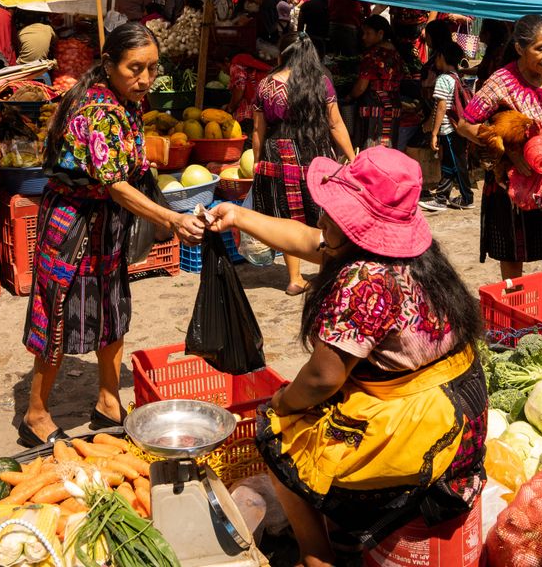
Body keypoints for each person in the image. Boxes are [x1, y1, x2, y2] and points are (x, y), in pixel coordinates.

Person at [209, 147, 487, 566]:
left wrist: (283, 403)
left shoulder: (366, 280)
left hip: (425, 431)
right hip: (462, 410)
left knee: (276, 432)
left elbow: (322, 378)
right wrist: (238, 216)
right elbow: (308, 240)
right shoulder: (410, 256)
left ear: (359, 224)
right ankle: (345, 536)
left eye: (332, 212)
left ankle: (316, 555)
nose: (322, 219)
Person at [20, 23, 204, 447]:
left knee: (111, 307)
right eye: (134, 68)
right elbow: (114, 184)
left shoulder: (126, 101)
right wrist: (171, 219)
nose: (145, 78)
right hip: (74, 224)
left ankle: (107, 400)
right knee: (58, 311)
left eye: (152, 68)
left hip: (107, 223)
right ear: (108, 64)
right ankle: (35, 414)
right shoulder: (98, 110)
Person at [456, 14, 542, 280]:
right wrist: (510, 152)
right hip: (513, 184)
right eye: (540, 48)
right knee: (513, 257)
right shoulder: (502, 81)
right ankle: (516, 306)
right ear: (519, 48)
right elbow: (465, 124)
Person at [253, 32, 355, 296]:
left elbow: (258, 130)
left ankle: (295, 278)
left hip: (277, 155)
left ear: (282, 53)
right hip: (313, 155)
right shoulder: (320, 83)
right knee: (323, 216)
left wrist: (257, 162)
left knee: (288, 218)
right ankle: (325, 274)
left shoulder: (266, 85)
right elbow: (335, 124)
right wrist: (353, 158)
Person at [421, 41, 474, 211]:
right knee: (449, 164)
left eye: (437, 57)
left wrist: (434, 132)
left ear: (442, 57)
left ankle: (467, 198)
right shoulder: (456, 77)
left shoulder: (443, 79)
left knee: (457, 164)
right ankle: (441, 198)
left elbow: (441, 107)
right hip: (456, 128)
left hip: (449, 129)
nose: (435, 60)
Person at [347, 15, 404, 148]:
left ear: (380, 34)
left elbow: (361, 87)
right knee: (388, 148)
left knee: (370, 147)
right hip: (394, 106)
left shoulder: (372, 55)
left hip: (374, 108)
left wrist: (350, 96)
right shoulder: (397, 54)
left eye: (368, 33)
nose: (363, 37)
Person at [224, 50, 271, 135]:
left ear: (226, 61)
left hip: (251, 109)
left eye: (221, 68)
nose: (224, 72)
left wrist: (230, 108)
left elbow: (240, 88)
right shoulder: (248, 60)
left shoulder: (236, 63)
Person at [475, 19, 511, 89]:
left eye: (481, 32)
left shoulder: (497, 54)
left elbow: (485, 72)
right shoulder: (492, 51)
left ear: (488, 34)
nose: (479, 35)